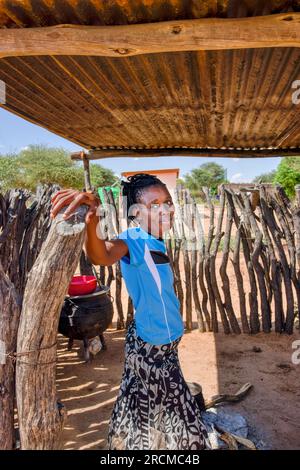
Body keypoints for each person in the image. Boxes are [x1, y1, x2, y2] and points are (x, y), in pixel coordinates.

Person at [50, 173, 211, 450]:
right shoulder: (133, 240)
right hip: (152, 348)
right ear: (136, 213)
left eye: (168, 202)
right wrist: (93, 221)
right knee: (175, 415)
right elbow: (102, 255)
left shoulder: (155, 240)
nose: (166, 210)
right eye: (154, 204)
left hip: (164, 345)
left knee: (143, 403)